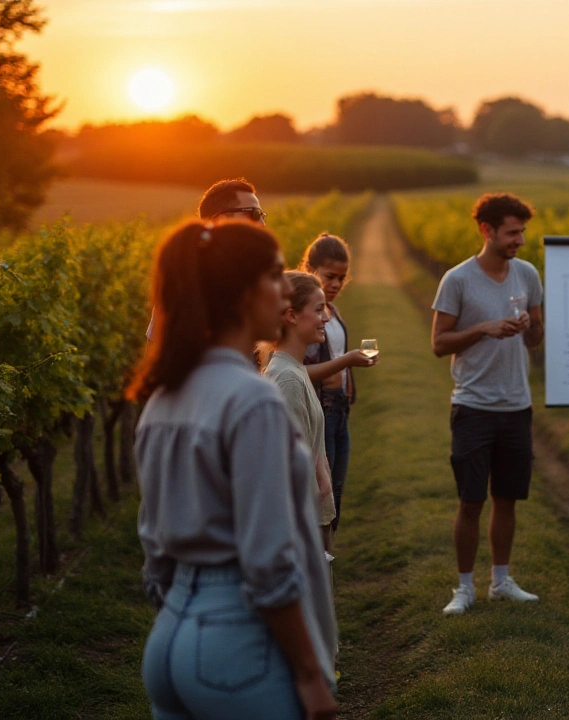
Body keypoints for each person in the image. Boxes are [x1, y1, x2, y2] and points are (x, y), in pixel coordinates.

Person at [132, 220, 337, 719]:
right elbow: (268, 561)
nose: (287, 289)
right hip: (240, 640)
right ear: (241, 293)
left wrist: (183, 621)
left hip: (170, 635)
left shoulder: (163, 396)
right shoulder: (254, 400)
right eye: (273, 276)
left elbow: (152, 547)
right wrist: (311, 672)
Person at [431, 192, 544, 616]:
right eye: (513, 233)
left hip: (516, 403)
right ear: (487, 230)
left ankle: (500, 580)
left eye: (522, 232)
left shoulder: (528, 275)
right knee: (471, 499)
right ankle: (464, 588)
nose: (520, 240)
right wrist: (484, 328)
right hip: (473, 404)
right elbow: (439, 344)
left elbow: (535, 338)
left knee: (508, 498)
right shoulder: (457, 280)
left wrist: (531, 327)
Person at [301, 234, 377, 533]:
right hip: (319, 412)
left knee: (336, 493)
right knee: (320, 495)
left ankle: (326, 563)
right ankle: (316, 565)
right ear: (310, 269)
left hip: (339, 412)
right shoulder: (305, 316)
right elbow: (296, 371)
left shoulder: (332, 311)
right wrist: (346, 361)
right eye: (329, 276)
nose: (335, 284)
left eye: (341, 278)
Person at [265, 271, 338, 552]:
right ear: (291, 315)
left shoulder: (294, 370)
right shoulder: (288, 379)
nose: (326, 318)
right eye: (319, 310)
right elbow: (291, 471)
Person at [145, 178, 268, 341]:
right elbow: (157, 357)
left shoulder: (258, 279)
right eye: (254, 213)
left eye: (261, 215)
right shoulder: (184, 286)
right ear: (220, 219)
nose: (262, 223)